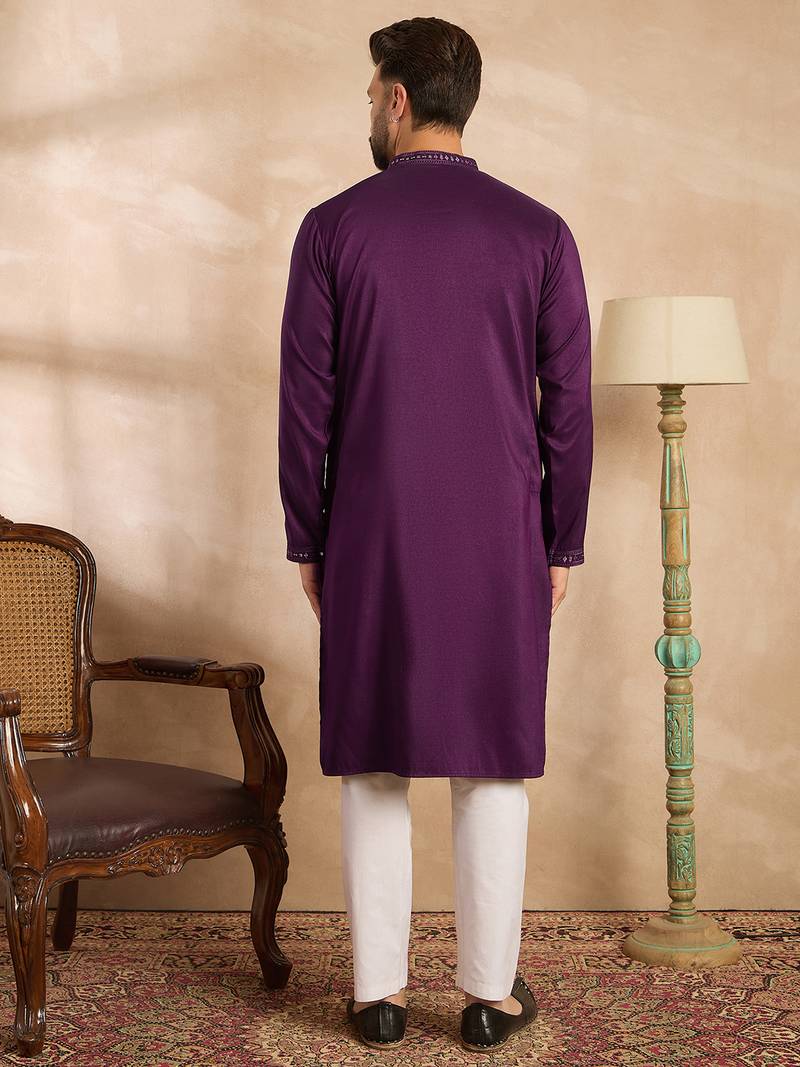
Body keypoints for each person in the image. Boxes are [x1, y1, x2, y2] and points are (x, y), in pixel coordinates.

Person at [277, 16, 593, 1053]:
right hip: (500, 536)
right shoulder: (540, 231)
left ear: (399, 99)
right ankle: (488, 997)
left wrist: (308, 537)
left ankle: (377, 996)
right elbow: (568, 409)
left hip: (371, 532)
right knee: (488, 758)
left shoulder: (331, 228)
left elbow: (305, 405)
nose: (370, 108)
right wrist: (559, 542)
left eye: (373, 92)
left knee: (374, 754)